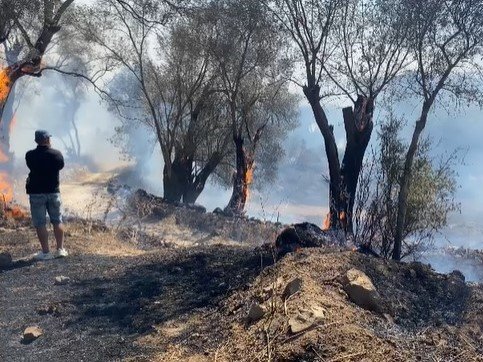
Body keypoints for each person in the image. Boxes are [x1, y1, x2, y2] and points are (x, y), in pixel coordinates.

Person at [25, 130, 68, 260]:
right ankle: (60, 250)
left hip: (36, 193)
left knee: (40, 223)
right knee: (57, 220)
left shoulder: (30, 155)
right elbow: (60, 166)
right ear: (48, 140)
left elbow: (30, 166)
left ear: (36, 140)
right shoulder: (57, 155)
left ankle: (46, 253)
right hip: (53, 192)